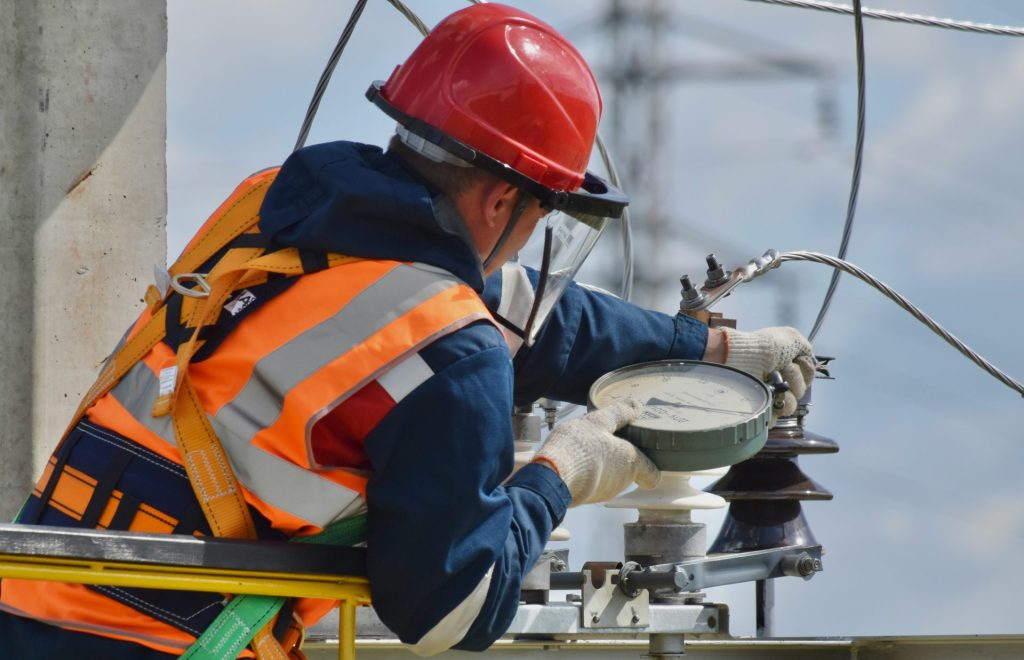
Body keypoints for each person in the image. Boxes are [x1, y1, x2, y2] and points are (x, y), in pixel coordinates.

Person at [0, 3, 814, 658]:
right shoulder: (448, 346)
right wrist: (563, 472)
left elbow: (534, 316)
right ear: (502, 203)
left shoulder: (277, 210)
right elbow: (452, 611)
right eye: (542, 214)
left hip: (28, 592)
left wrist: (705, 349)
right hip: (156, 638)